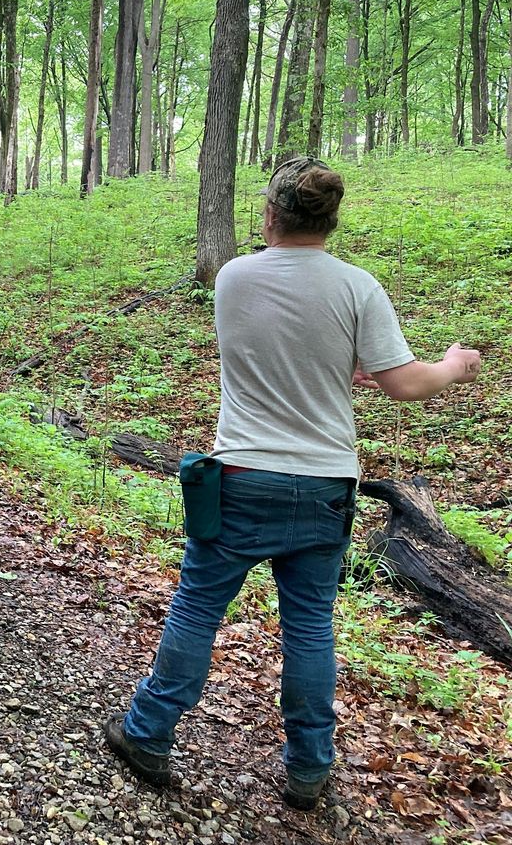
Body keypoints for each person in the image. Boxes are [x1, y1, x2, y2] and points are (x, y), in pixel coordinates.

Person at [104, 157, 482, 811]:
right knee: (309, 626)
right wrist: (451, 365)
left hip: (243, 477)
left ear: (271, 214)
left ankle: (148, 733)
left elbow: (272, 345)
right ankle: (308, 768)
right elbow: (404, 384)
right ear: (331, 220)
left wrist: (338, 366)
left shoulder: (234, 276)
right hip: (324, 485)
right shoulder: (358, 287)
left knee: (198, 607)